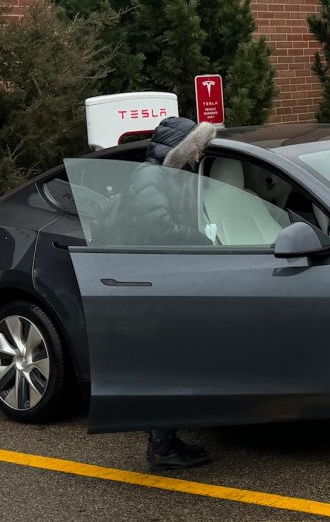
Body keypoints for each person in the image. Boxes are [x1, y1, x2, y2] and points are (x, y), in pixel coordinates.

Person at [121, 116, 217, 472]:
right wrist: (198, 237)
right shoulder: (151, 177)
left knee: (167, 361)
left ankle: (166, 439)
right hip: (152, 283)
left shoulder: (163, 175)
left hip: (158, 279)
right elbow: (156, 225)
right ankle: (161, 446)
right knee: (166, 363)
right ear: (179, 149)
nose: (198, 157)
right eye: (195, 149)